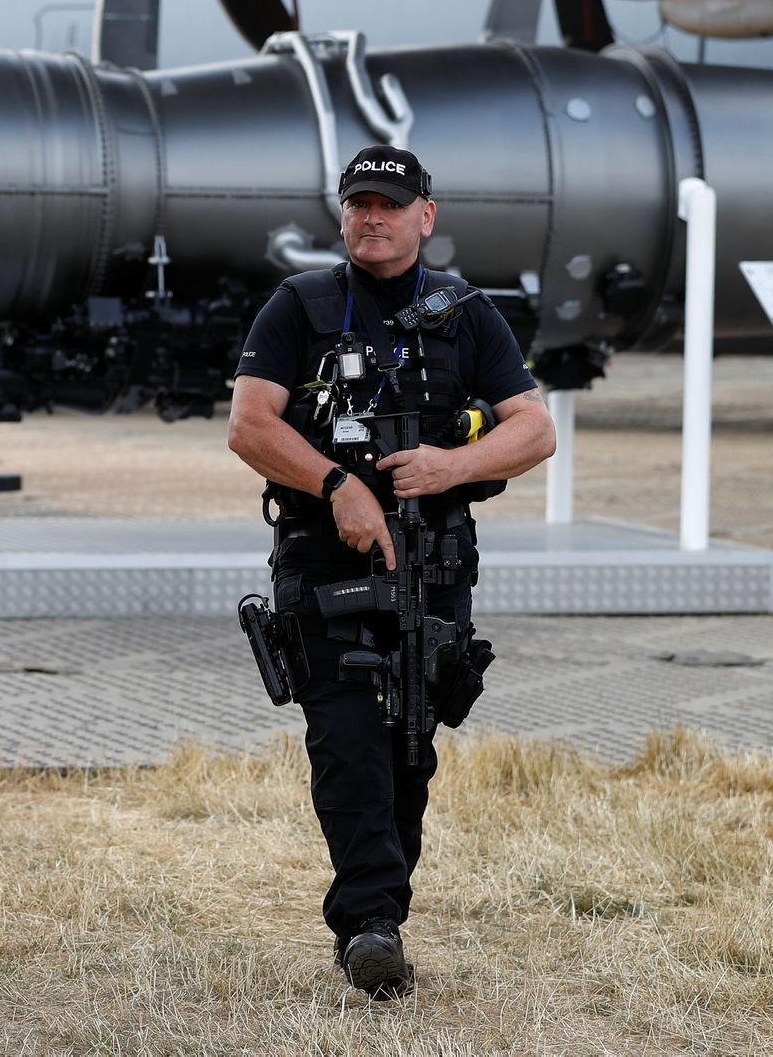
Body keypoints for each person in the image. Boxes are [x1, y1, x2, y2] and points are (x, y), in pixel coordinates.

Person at [227, 143, 555, 998]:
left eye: (388, 205)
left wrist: (448, 465)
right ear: (341, 215)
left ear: (424, 218)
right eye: (357, 204)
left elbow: (533, 429)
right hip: (323, 560)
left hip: (432, 566)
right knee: (348, 742)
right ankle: (371, 925)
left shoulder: (465, 313)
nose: (370, 218)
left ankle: (379, 913)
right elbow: (250, 425)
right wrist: (335, 484)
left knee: (410, 745)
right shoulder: (297, 306)